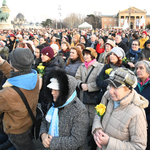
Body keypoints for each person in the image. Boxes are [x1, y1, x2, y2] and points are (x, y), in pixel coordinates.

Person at [92, 67, 148, 150]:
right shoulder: (107, 97)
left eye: (116, 87)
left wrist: (109, 142)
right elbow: (98, 114)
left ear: (128, 89)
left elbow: (139, 147)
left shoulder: (136, 112)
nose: (110, 91)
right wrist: (97, 128)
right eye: (110, 85)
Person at [39, 69, 89, 150]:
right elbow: (45, 120)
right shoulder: (53, 103)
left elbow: (77, 140)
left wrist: (52, 142)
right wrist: (43, 134)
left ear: (66, 92)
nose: (52, 93)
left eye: (56, 90)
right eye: (52, 89)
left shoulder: (80, 111)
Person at [0, 48, 39, 150]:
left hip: (16, 131)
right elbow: (17, 77)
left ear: (14, 64)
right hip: (29, 122)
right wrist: (2, 63)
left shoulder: (6, 94)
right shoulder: (35, 78)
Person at [75, 47, 103, 131]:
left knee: (92, 115)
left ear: (92, 56)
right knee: (83, 113)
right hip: (82, 94)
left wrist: (89, 87)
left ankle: (92, 131)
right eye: (84, 54)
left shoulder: (99, 66)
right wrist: (81, 84)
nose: (85, 56)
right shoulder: (82, 65)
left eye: (87, 54)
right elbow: (77, 77)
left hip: (92, 96)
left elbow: (100, 82)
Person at [39, 46, 62, 115]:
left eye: (44, 55)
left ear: (49, 56)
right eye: (41, 55)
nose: (41, 56)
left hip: (49, 97)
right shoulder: (43, 65)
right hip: (43, 96)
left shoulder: (55, 68)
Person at [134, 60, 150, 150]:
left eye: (141, 68)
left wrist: (144, 120)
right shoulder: (133, 85)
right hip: (133, 123)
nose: (138, 70)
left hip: (147, 125)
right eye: (136, 68)